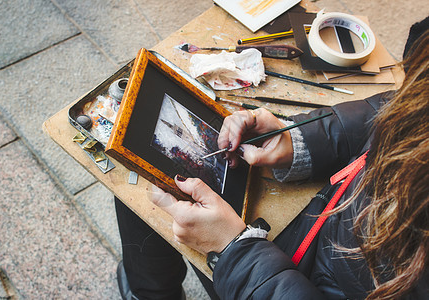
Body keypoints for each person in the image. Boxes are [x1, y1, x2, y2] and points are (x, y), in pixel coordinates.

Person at [116, 20, 428, 300]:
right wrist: (299, 140)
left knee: (148, 202)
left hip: (287, 281)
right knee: (146, 183)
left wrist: (234, 253)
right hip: (325, 228)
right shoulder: (417, 107)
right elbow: (390, 111)